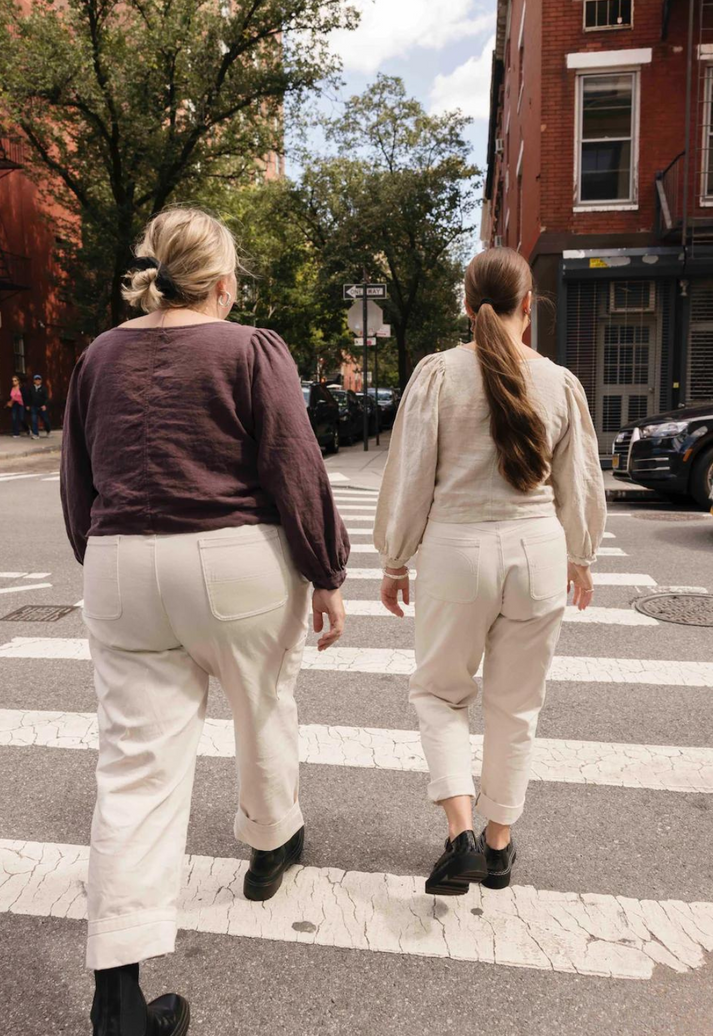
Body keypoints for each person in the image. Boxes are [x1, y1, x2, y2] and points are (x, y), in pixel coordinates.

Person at [60, 205, 350, 1036]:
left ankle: (116, 995)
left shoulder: (98, 356)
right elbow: (292, 463)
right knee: (263, 704)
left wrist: (103, 550)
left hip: (121, 560)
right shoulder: (250, 348)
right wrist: (325, 571)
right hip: (232, 561)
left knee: (134, 771)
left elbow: (79, 478)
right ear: (223, 282)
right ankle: (269, 845)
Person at [374, 247, 605, 897]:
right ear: (527, 308)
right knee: (516, 708)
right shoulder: (559, 383)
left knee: (441, 693)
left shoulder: (438, 375)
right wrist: (581, 555)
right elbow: (579, 482)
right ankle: (499, 847)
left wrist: (395, 558)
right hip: (537, 553)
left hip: (456, 552)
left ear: (465, 303)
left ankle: (461, 835)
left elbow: (413, 473)